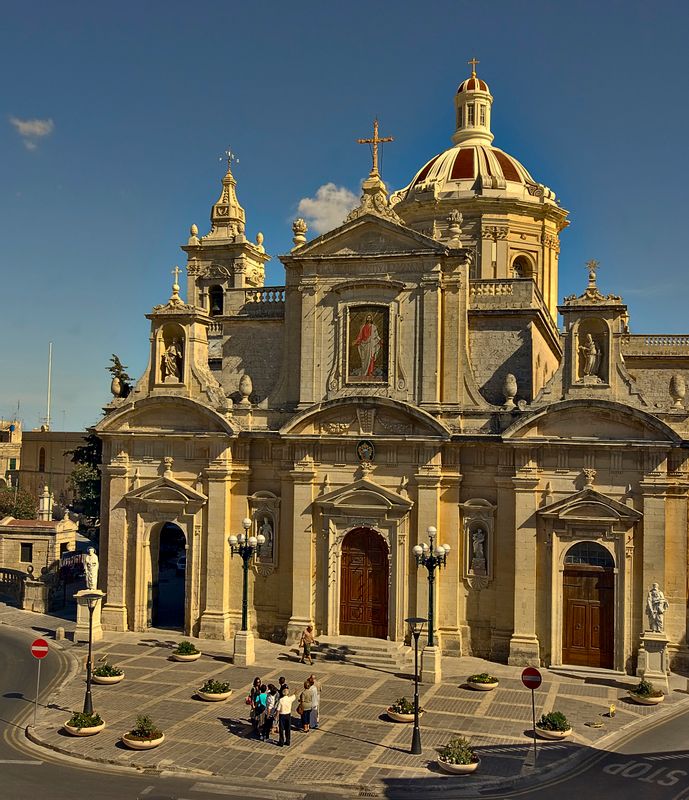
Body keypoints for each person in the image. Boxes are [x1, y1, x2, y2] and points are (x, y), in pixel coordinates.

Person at [354, 313, 382, 378]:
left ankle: (370, 373)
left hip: (371, 344)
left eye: (370, 318)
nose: (368, 319)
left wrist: (380, 340)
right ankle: (365, 372)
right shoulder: (363, 327)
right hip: (364, 345)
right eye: (367, 318)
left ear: (371, 319)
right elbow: (360, 336)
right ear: (366, 319)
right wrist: (356, 341)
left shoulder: (374, 327)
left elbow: (377, 335)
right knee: (364, 360)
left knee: (371, 358)